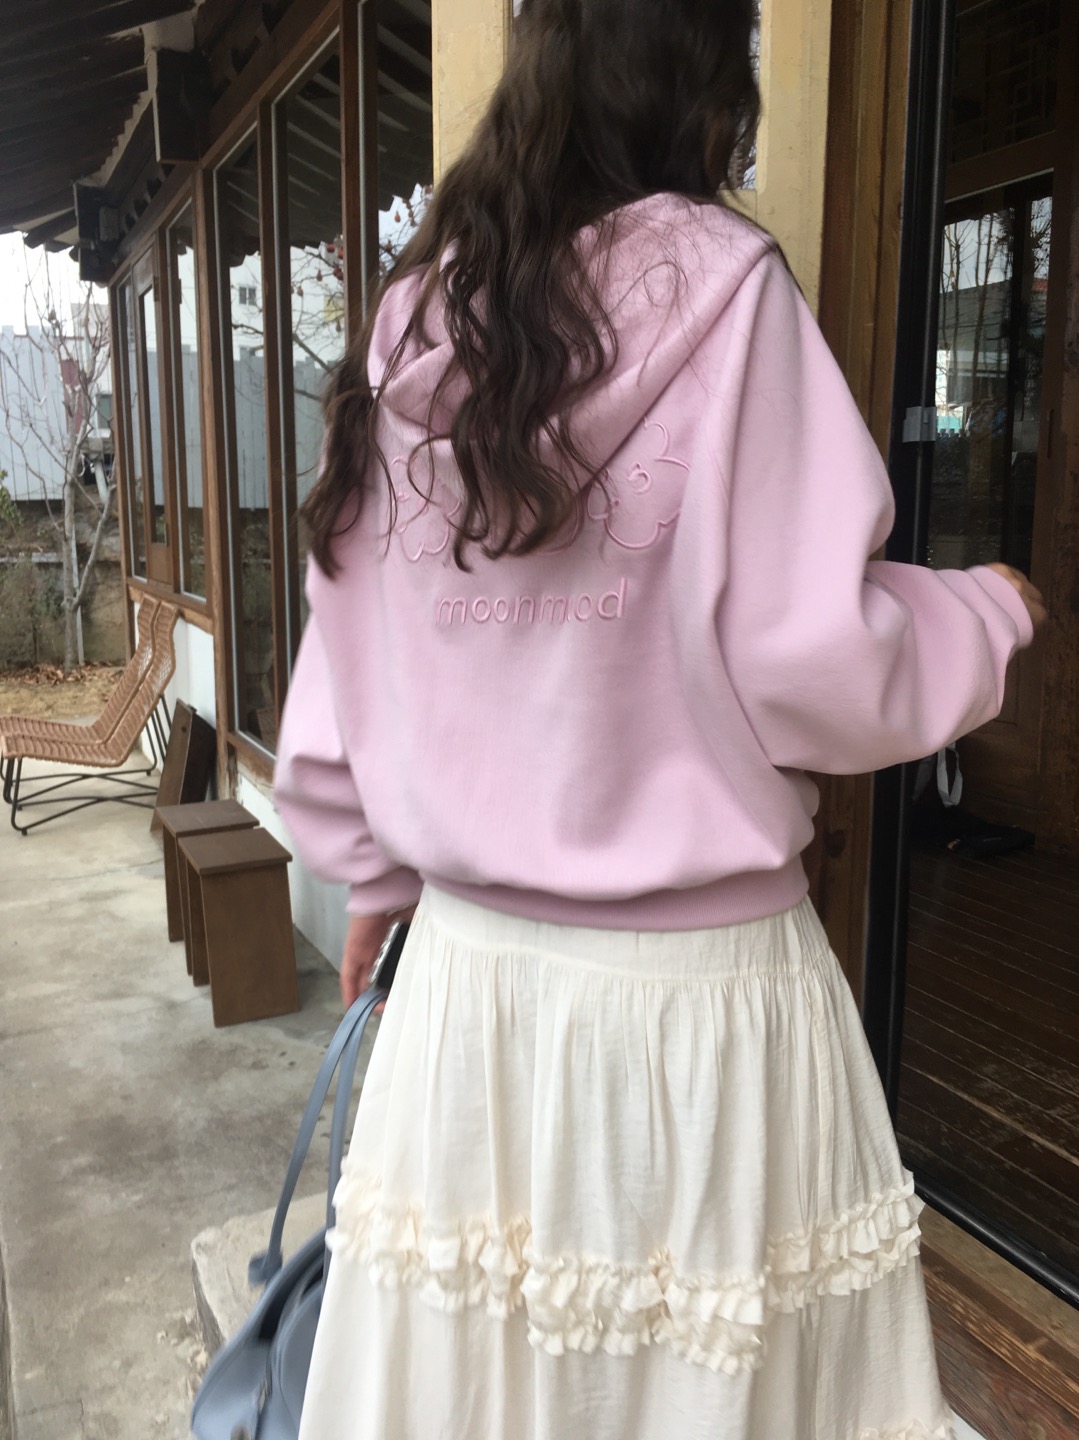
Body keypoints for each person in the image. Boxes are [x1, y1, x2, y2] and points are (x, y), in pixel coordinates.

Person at [273, 1, 1046, 1435]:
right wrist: (984, 614)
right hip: (707, 1015)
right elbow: (814, 659)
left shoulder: (419, 323)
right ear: (707, 83)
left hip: (473, 1005)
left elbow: (345, 669)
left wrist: (370, 876)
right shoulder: (733, 295)